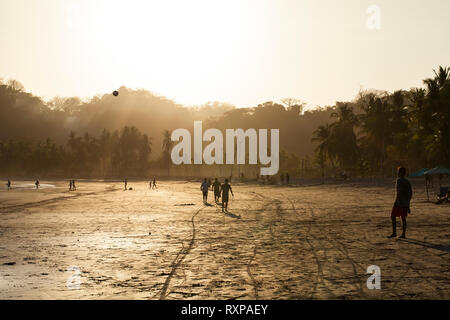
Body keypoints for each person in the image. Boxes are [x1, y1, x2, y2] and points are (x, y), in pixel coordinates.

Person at [389, 167, 413, 239]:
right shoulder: (407, 181)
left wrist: (398, 202)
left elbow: (399, 192)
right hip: (405, 203)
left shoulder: (399, 180)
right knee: (403, 218)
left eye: (398, 172)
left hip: (398, 202)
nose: (397, 173)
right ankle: (403, 234)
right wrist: (408, 204)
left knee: (393, 216)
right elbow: (410, 193)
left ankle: (394, 233)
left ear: (400, 173)